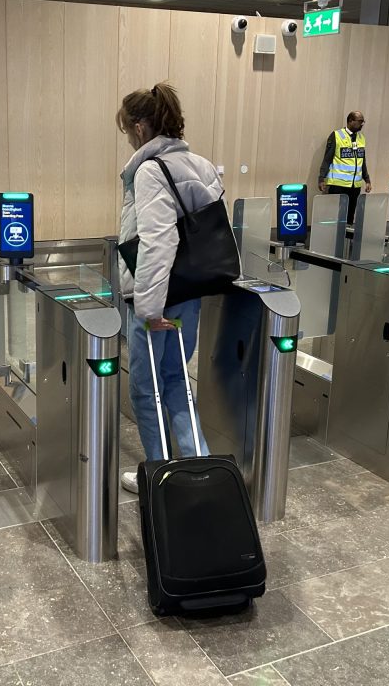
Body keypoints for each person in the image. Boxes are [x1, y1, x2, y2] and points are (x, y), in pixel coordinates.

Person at [115, 82, 224, 495]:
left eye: (127, 130)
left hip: (157, 302)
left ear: (140, 128)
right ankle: (199, 472)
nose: (128, 139)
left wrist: (148, 309)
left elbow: (158, 242)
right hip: (189, 293)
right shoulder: (201, 164)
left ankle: (160, 479)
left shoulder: (149, 171)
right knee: (176, 378)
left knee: (146, 389)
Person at [319, 111, 372, 223]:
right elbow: (327, 159)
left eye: (363, 121)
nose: (362, 124)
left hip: (355, 186)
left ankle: (346, 235)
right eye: (360, 121)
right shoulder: (336, 135)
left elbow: (362, 161)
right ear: (350, 121)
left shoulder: (361, 138)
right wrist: (321, 178)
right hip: (338, 185)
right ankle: (334, 235)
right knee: (336, 217)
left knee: (349, 217)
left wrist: (367, 179)